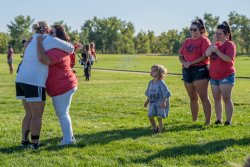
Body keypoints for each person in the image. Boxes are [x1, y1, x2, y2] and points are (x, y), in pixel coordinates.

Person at [16, 21, 74, 149]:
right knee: (36, 116)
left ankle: (24, 142)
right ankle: (35, 144)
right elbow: (71, 48)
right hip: (34, 80)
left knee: (28, 114)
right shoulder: (48, 38)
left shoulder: (30, 40)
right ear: (47, 29)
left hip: (20, 78)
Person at [37, 24, 78, 145]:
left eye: (52, 33)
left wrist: (39, 43)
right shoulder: (60, 47)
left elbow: (45, 60)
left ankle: (68, 140)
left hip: (63, 86)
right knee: (64, 113)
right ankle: (69, 137)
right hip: (64, 84)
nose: (49, 35)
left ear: (58, 35)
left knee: (63, 114)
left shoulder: (58, 49)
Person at [179, 18, 212, 126]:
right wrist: (184, 62)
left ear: (201, 30)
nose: (192, 32)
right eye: (191, 29)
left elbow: (204, 56)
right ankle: (194, 120)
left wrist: (191, 63)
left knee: (203, 97)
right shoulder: (187, 41)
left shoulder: (204, 40)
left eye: (194, 29)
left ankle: (207, 122)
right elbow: (180, 55)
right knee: (192, 97)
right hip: (187, 70)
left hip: (200, 70)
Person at [206, 21, 236, 125]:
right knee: (216, 99)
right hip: (214, 76)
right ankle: (218, 120)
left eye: (220, 33)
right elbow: (207, 54)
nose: (217, 35)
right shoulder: (215, 44)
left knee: (226, 98)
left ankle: (228, 121)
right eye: (216, 33)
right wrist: (213, 42)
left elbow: (228, 59)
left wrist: (218, 51)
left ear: (226, 34)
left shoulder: (230, 45)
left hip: (226, 76)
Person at [144, 65, 171, 133]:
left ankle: (160, 130)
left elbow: (166, 93)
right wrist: (147, 101)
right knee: (150, 116)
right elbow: (149, 93)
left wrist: (164, 102)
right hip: (152, 103)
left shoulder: (161, 83)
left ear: (159, 72)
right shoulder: (150, 82)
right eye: (151, 71)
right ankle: (155, 127)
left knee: (159, 117)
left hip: (160, 103)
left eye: (154, 71)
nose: (152, 72)